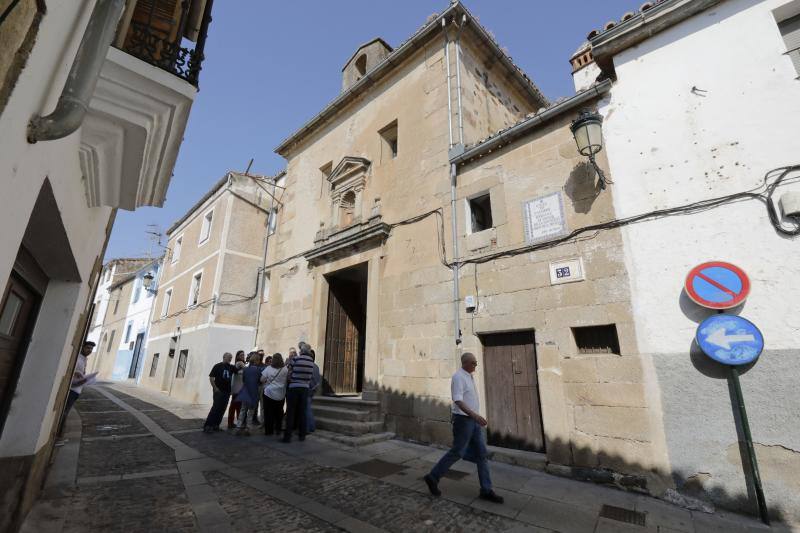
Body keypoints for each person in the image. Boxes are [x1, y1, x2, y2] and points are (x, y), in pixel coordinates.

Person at [424, 352, 504, 504]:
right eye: (473, 363)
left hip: (473, 421)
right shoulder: (458, 377)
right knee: (457, 452)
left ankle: (486, 490)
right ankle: (433, 477)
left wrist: (475, 417)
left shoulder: (469, 376)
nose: (476, 365)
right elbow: (458, 400)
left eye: (475, 362)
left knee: (482, 454)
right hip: (464, 421)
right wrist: (475, 416)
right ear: (465, 363)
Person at [58, 341, 97, 437]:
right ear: (82, 347)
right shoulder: (78, 359)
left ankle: (60, 433)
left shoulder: (84, 359)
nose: (90, 350)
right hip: (72, 389)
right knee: (64, 411)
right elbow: (72, 373)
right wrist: (80, 379)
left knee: (66, 411)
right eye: (88, 348)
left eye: (91, 349)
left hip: (77, 390)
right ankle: (59, 434)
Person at [282, 342, 315, 443]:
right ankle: (302, 435)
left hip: (294, 387)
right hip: (305, 388)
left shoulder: (296, 359)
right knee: (302, 412)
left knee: (291, 412)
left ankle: (287, 436)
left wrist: (291, 379)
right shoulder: (311, 361)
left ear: (302, 351)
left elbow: (289, 372)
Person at [203, 352, 235, 433]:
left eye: (231, 357)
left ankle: (216, 425)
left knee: (222, 409)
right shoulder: (217, 366)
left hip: (227, 392)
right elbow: (211, 377)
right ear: (224, 357)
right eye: (229, 357)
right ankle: (207, 426)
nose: (230, 359)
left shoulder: (231, 367)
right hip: (219, 391)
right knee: (215, 408)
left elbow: (239, 371)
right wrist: (215, 388)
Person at [234, 352, 262, 435]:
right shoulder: (258, 370)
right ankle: (248, 428)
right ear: (257, 360)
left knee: (243, 410)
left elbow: (243, 380)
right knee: (251, 411)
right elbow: (259, 381)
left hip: (245, 391)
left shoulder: (246, 369)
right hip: (253, 392)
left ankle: (238, 427)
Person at [261, 353, 288, 435]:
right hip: (281, 394)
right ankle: (278, 429)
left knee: (268, 413)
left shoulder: (268, 368)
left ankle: (269, 431)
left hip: (269, 394)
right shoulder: (285, 369)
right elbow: (288, 379)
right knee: (279, 413)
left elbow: (262, 379)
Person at [227, 350, 246, 430]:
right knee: (235, 406)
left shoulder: (239, 363)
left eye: (243, 355)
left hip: (238, 388)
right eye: (241, 355)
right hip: (237, 389)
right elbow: (246, 370)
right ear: (237, 356)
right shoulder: (239, 363)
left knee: (236, 406)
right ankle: (234, 423)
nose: (243, 356)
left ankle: (235, 423)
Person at [305, 349, 320, 433]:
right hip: (312, 390)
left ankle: (310, 427)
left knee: (306, 409)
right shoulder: (316, 366)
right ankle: (310, 427)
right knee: (307, 408)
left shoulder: (309, 365)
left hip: (308, 389)